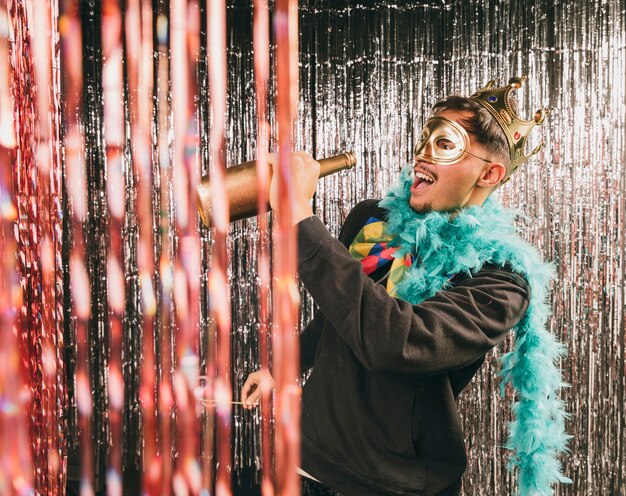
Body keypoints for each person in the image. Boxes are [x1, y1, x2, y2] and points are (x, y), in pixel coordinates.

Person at [241, 77, 570, 496]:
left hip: (393, 483)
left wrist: (298, 219)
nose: (422, 156)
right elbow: (342, 313)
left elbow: (398, 342)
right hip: (308, 460)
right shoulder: (373, 222)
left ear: (489, 172)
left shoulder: (500, 282)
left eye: (445, 144)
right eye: (425, 138)